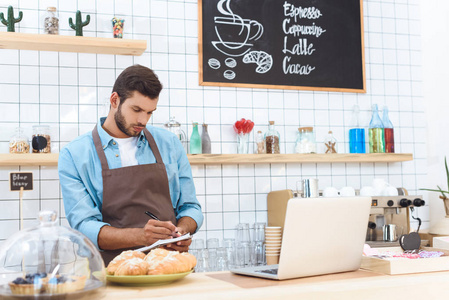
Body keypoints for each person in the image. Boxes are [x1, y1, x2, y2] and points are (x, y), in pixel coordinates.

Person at [58, 65, 203, 264]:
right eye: (137, 110)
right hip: (110, 274)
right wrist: (141, 237)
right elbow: (84, 226)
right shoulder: (74, 155)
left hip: (170, 268)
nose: (143, 120)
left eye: (150, 112)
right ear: (114, 100)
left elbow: (190, 207)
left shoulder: (169, 143)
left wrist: (182, 231)